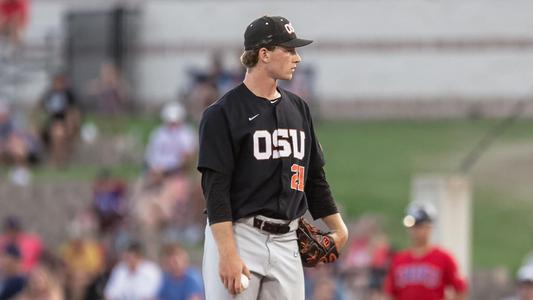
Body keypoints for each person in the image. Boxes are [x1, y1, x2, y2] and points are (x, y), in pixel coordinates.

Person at [198, 15, 348, 299]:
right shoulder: (222, 114)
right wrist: (227, 253)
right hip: (240, 234)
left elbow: (314, 177)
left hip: (287, 239)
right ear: (264, 54)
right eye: (289, 49)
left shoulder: (299, 109)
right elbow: (215, 190)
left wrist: (338, 229)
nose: (297, 58)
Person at [383, 202, 467, 300]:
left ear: (429, 227)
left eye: (418, 226)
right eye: (411, 226)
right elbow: (390, 293)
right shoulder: (399, 259)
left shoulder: (444, 258)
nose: (414, 230)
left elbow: (460, 289)